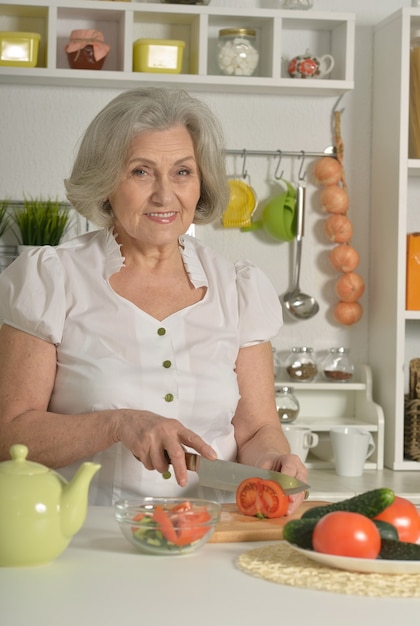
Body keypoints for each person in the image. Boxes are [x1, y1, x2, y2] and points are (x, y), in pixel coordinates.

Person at [0, 87, 307, 511]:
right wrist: (117, 423)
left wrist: (273, 462)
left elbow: (256, 430)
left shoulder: (236, 288)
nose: (165, 195)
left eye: (182, 172)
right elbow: (10, 434)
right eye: (141, 172)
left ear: (201, 183)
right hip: (84, 541)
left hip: (210, 538)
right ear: (106, 182)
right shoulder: (53, 278)